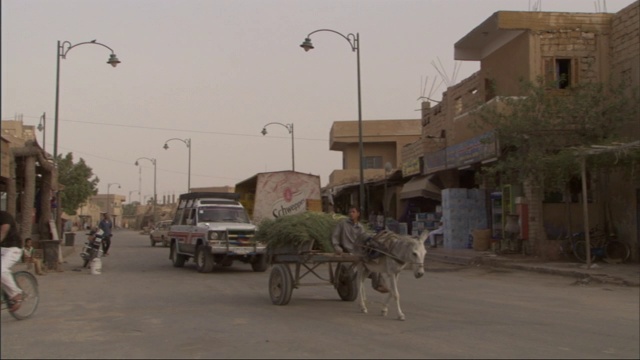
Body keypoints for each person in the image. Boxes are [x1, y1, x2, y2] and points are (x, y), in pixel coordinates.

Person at [331, 206, 388, 293]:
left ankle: (378, 284)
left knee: (374, 263)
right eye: (350, 212)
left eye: (353, 212)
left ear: (358, 214)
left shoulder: (360, 227)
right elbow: (335, 236)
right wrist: (337, 247)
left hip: (359, 251)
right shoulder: (342, 224)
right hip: (347, 251)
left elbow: (364, 239)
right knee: (350, 269)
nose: (351, 214)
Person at [1, 210, 24, 312]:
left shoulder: (4, 216)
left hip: (13, 248)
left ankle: (16, 294)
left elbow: (3, 231)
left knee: (1, 270)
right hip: (1, 249)